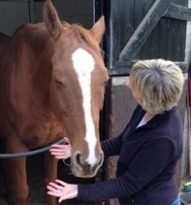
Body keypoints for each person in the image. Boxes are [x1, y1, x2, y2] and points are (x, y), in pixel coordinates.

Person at [47, 59, 184, 205]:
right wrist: (86, 150)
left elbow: (128, 184)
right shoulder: (147, 110)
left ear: (148, 97)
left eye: (134, 84)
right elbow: (121, 141)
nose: (127, 84)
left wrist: (78, 190)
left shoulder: (163, 139)